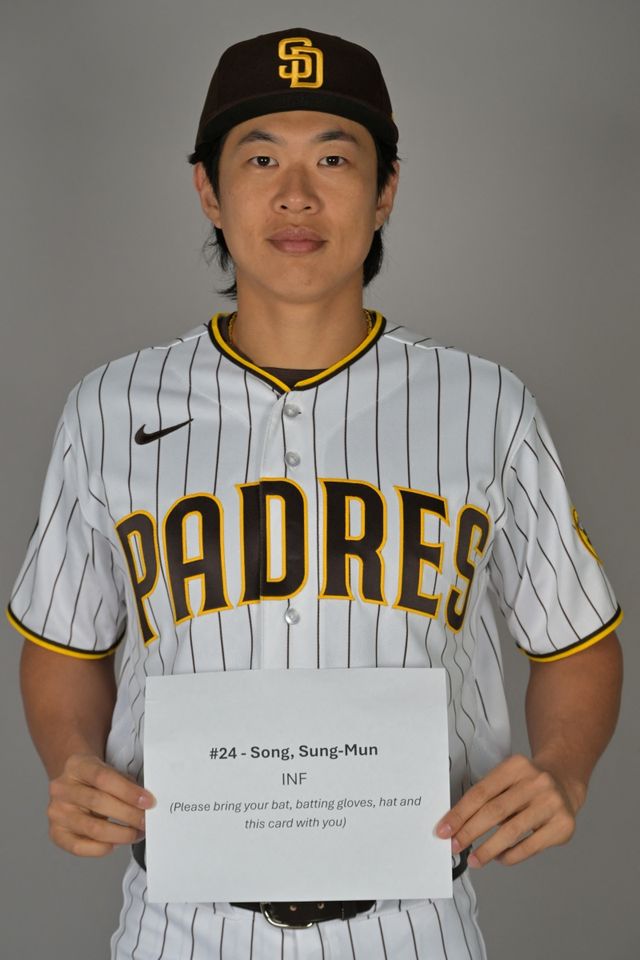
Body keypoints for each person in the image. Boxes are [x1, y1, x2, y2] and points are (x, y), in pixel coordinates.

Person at [7, 26, 623, 960]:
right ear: (209, 190)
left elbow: (577, 640)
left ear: (386, 190)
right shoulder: (108, 406)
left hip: (416, 925)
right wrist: (72, 761)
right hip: (179, 925)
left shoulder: (487, 406)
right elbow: (63, 643)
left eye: (334, 158)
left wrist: (565, 770)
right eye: (261, 158)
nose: (296, 194)